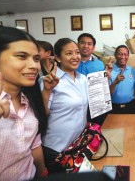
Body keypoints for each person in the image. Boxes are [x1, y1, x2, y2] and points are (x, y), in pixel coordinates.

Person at [0, 26, 48, 180]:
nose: (34, 66)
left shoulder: (29, 98)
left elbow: (34, 145)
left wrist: (43, 173)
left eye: (36, 59)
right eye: (22, 56)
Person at [39, 38, 88, 173]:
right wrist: (47, 91)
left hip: (77, 144)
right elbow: (41, 116)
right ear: (58, 58)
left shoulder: (82, 79)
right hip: (56, 148)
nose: (75, 57)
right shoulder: (48, 81)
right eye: (69, 53)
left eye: (77, 52)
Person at [109, 45, 135, 114]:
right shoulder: (109, 71)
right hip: (114, 107)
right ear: (115, 55)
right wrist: (115, 82)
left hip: (131, 106)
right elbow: (106, 94)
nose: (123, 57)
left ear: (128, 56)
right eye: (120, 54)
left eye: (125, 54)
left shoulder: (133, 71)